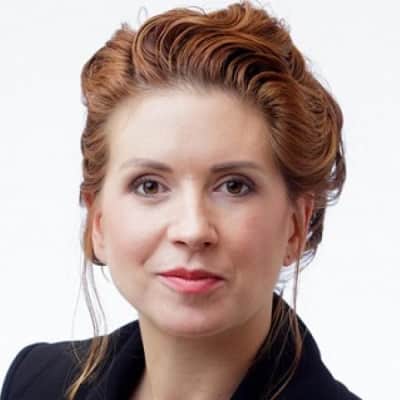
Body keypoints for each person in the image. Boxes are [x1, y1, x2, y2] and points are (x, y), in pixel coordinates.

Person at [0, 1, 362, 399]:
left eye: (234, 186)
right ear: (97, 222)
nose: (192, 230)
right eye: (150, 186)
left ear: (296, 225)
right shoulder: (36, 383)